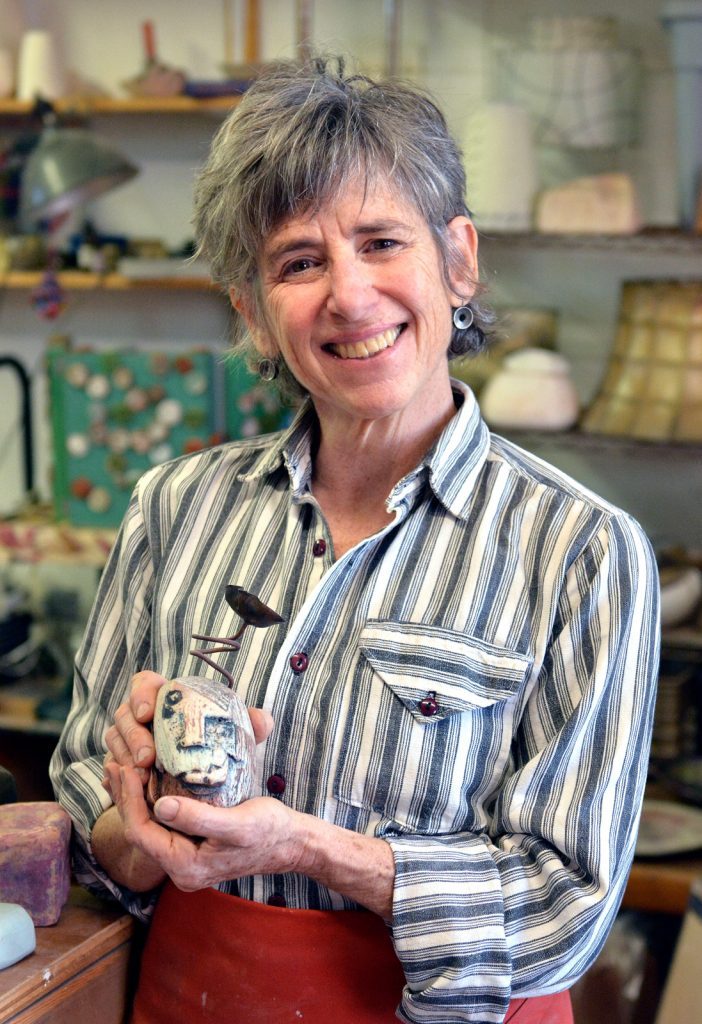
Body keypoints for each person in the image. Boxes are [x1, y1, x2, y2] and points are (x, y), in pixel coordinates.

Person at [50, 55, 660, 1024]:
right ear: (253, 311)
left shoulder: (581, 550)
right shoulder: (176, 505)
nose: (349, 293)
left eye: (381, 241)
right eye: (299, 261)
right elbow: (85, 798)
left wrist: (310, 847)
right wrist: (132, 825)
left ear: (457, 260)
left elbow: (568, 903)